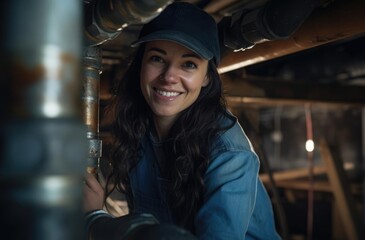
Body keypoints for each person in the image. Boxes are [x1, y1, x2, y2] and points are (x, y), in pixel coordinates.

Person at [83, 2, 281, 239]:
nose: (168, 77)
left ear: (207, 77)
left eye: (188, 64)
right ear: (141, 65)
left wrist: (95, 218)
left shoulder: (230, 154)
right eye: (157, 58)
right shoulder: (140, 129)